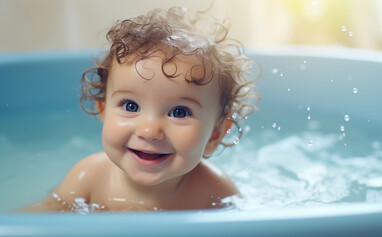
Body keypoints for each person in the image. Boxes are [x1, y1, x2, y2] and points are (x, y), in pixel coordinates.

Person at [24, 6, 258, 212]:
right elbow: (38, 219)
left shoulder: (214, 191)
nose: (148, 130)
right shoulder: (89, 178)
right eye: (130, 106)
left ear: (215, 134)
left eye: (179, 112)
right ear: (103, 111)